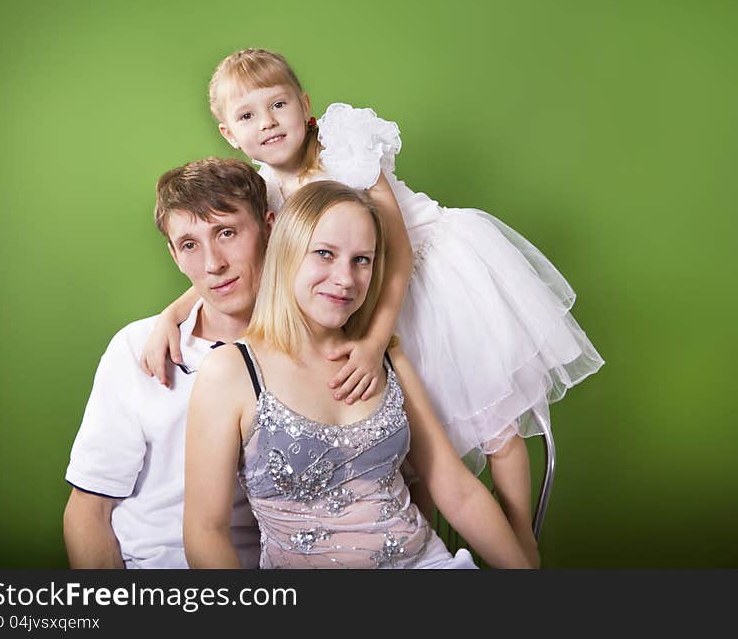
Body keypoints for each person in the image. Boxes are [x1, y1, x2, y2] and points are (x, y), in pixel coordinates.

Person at [149, 49, 605, 564]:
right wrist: (173, 312)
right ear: (230, 133)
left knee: (491, 421)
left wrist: (371, 343)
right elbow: (238, 260)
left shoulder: (342, 148)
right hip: (356, 292)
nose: (269, 123)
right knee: (409, 447)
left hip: (418, 274)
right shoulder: (267, 192)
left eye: (278, 105)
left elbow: (398, 250)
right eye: (248, 115)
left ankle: (522, 539)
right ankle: (415, 539)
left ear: (305, 105)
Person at [184, 180, 533, 568]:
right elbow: (205, 532)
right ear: (286, 253)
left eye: (361, 260)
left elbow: (456, 490)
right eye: (324, 254)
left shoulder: (385, 358)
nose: (345, 279)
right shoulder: (231, 371)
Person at [63, 158, 272, 568]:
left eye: (226, 232)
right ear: (174, 254)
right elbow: (89, 509)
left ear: (269, 226)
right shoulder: (137, 347)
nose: (213, 264)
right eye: (190, 244)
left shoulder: (312, 351)